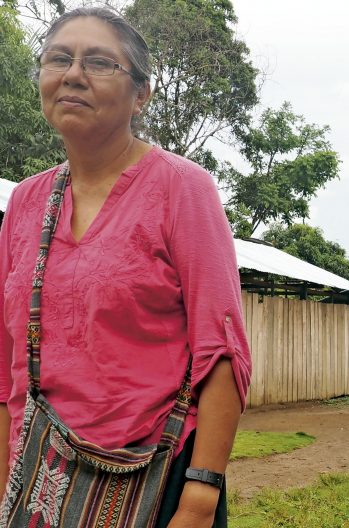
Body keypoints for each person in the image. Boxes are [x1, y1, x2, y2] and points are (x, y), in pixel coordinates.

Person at [0, 8, 252, 527]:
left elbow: (222, 350)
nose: (73, 74)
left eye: (99, 62)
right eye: (59, 59)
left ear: (142, 94)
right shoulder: (25, 203)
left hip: (159, 481)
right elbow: (6, 372)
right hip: (40, 483)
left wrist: (201, 498)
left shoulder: (182, 189)